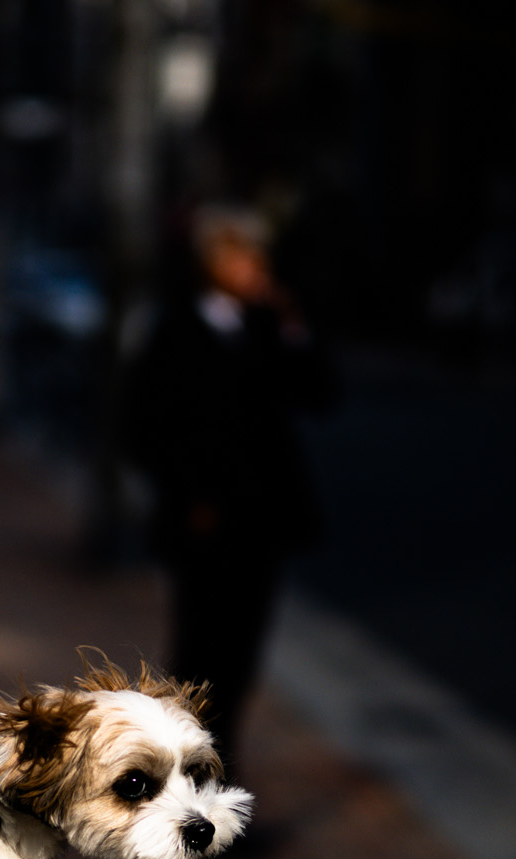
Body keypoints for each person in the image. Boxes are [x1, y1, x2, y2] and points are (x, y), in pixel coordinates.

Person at [121, 204, 333, 781]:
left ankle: (213, 788)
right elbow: (142, 429)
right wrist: (192, 497)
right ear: (213, 262)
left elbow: (319, 395)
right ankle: (189, 792)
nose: (253, 267)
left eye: (257, 256)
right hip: (205, 530)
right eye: (241, 255)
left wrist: (291, 323)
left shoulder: (264, 326)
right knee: (201, 662)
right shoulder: (175, 331)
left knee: (238, 664)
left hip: (262, 526)